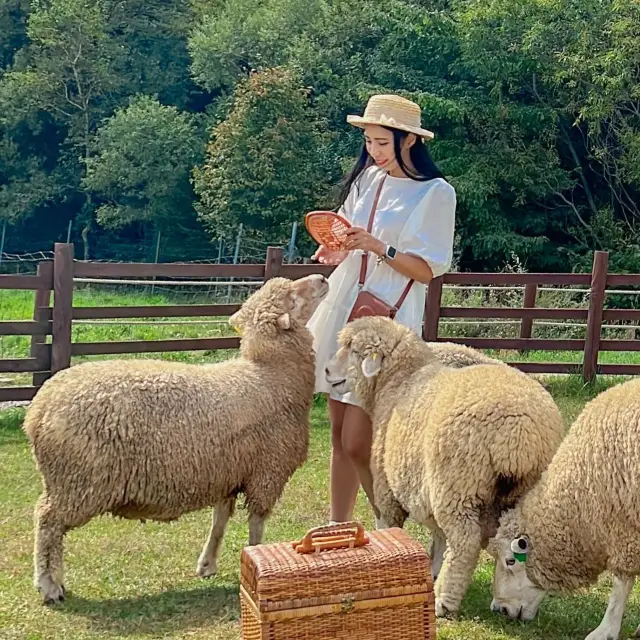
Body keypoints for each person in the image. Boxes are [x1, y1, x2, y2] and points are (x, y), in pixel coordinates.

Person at [306, 93, 456, 527]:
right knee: (337, 431)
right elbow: (344, 236)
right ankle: (340, 531)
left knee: (359, 440)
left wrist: (378, 245)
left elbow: (427, 271)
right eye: (369, 141)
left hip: (389, 320)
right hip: (346, 306)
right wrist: (333, 249)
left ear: (409, 140)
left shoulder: (436, 194)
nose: (373, 151)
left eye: (382, 142)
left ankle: (390, 528)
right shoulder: (367, 180)